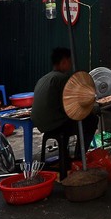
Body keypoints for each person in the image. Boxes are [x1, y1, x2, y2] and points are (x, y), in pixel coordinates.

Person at [31, 47, 98, 179]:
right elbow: (73, 104)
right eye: (69, 61)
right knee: (91, 120)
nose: (71, 64)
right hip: (54, 122)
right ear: (63, 62)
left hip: (40, 123)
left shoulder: (44, 78)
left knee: (77, 119)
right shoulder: (62, 79)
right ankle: (79, 157)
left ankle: (67, 156)